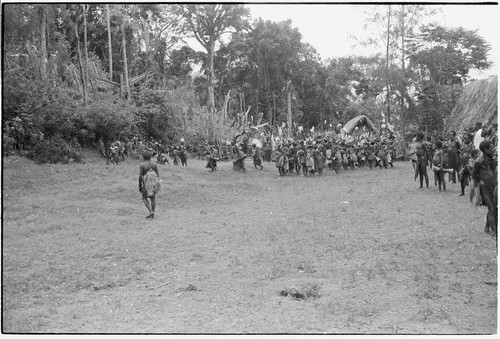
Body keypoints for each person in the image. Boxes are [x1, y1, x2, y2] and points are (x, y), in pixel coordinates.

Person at [471, 140, 497, 236]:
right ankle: (494, 230)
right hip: (484, 187)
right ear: (485, 150)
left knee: (493, 208)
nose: (493, 149)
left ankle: (487, 228)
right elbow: (474, 175)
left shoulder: (492, 159)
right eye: (491, 148)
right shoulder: (479, 161)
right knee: (491, 208)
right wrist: (478, 185)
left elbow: (494, 172)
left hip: (493, 186)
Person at [139, 151, 160, 219]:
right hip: (153, 183)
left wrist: (140, 185)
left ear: (143, 157)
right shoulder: (154, 164)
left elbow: (140, 176)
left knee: (144, 198)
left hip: (146, 183)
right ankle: (153, 214)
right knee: (153, 199)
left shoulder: (142, 165)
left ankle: (150, 211)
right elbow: (157, 175)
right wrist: (157, 184)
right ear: (150, 156)